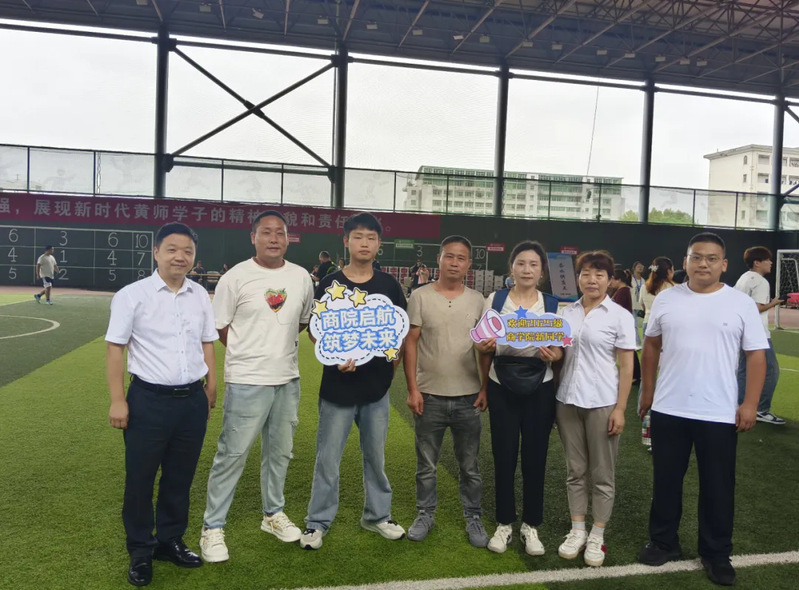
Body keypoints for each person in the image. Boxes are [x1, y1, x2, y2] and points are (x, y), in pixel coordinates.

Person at [637, 232, 767, 587]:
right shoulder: (667, 299)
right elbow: (651, 346)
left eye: (711, 258)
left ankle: (716, 553)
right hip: (669, 408)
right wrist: (647, 391)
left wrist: (750, 403)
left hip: (718, 412)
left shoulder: (740, 303)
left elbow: (756, 356)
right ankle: (663, 541)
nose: (703, 264)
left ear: (723, 264)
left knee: (718, 487)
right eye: (696, 257)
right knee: (666, 481)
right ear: (685, 262)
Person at [106, 222, 218, 587]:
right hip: (147, 402)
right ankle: (141, 549)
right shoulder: (132, 295)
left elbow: (207, 342)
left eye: (187, 251)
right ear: (156, 252)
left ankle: (170, 540)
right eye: (171, 249)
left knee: (180, 476)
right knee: (140, 478)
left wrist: (211, 384)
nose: (180, 257)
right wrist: (118, 400)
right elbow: (115, 348)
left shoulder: (200, 295)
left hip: (192, 401)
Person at [200, 211, 314, 563]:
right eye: (266, 232)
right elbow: (220, 326)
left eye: (280, 232)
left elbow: (301, 321)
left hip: (287, 378)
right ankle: (212, 527)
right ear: (253, 237)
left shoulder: (301, 277)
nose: (274, 238)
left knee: (280, 452)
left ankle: (272, 514)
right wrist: (249, 351)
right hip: (247, 379)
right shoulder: (235, 277)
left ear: (288, 238)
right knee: (232, 454)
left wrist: (275, 348)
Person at [301, 212, 407, 550]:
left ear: (379, 244)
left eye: (371, 238)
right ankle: (317, 522)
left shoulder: (389, 286)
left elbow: (398, 332)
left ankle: (378, 516)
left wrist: (390, 370)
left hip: (376, 390)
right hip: (337, 388)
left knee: (376, 458)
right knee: (327, 459)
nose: (364, 243)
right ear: (346, 241)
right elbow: (316, 333)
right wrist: (334, 357)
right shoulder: (329, 284)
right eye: (358, 237)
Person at [476, 240, 561, 555]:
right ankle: (504, 523)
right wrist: (483, 381)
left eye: (534, 264)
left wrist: (555, 354)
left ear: (542, 271)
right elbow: (482, 345)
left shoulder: (552, 304)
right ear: (511, 268)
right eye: (521, 263)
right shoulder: (495, 300)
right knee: (504, 455)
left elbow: (560, 348)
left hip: (541, 386)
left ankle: (531, 525)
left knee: (535, 458)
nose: (527, 269)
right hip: (501, 384)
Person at [404, 235, 490, 548]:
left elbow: (485, 348)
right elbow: (410, 342)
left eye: (461, 258)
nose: (454, 263)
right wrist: (413, 388)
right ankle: (425, 514)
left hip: (468, 396)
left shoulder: (478, 300)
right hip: (429, 396)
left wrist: (484, 387)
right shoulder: (420, 296)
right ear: (439, 259)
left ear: (469, 264)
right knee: (426, 465)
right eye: (449, 256)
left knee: (470, 466)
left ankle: (473, 516)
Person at [555, 252, 635, 567]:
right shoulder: (567, 313)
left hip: (602, 402)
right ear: (578, 278)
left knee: (602, 474)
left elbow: (627, 366)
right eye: (586, 273)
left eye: (599, 275)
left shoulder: (619, 316)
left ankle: (597, 535)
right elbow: (560, 356)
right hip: (567, 400)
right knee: (575, 470)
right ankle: (577, 530)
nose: (592, 280)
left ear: (609, 279)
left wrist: (620, 408)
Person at [734, 246, 785, 425]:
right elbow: (756, 309)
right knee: (771, 370)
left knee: (743, 369)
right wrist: (774, 303)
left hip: (741, 331)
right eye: (767, 260)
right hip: (757, 334)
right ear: (757, 263)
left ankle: (740, 404)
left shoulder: (743, 278)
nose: (770, 262)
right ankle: (761, 409)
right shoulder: (761, 282)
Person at [610, 269, 641, 384]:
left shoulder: (623, 291)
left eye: (613, 280)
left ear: (618, 280)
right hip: (623, 324)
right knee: (629, 350)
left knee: (628, 351)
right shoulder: (622, 291)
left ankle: (635, 375)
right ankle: (636, 375)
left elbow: (619, 309)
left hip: (623, 325)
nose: (611, 282)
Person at [639, 257, 675, 335]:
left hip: (648, 322)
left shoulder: (644, 287)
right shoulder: (672, 288)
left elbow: (642, 305)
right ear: (669, 271)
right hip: (665, 324)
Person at [631, 261, 645, 345]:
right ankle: (637, 343)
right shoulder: (630, 279)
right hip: (632, 304)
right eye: (638, 266)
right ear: (634, 268)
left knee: (642, 325)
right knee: (634, 325)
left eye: (642, 267)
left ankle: (641, 342)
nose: (640, 268)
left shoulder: (643, 280)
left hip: (640, 306)